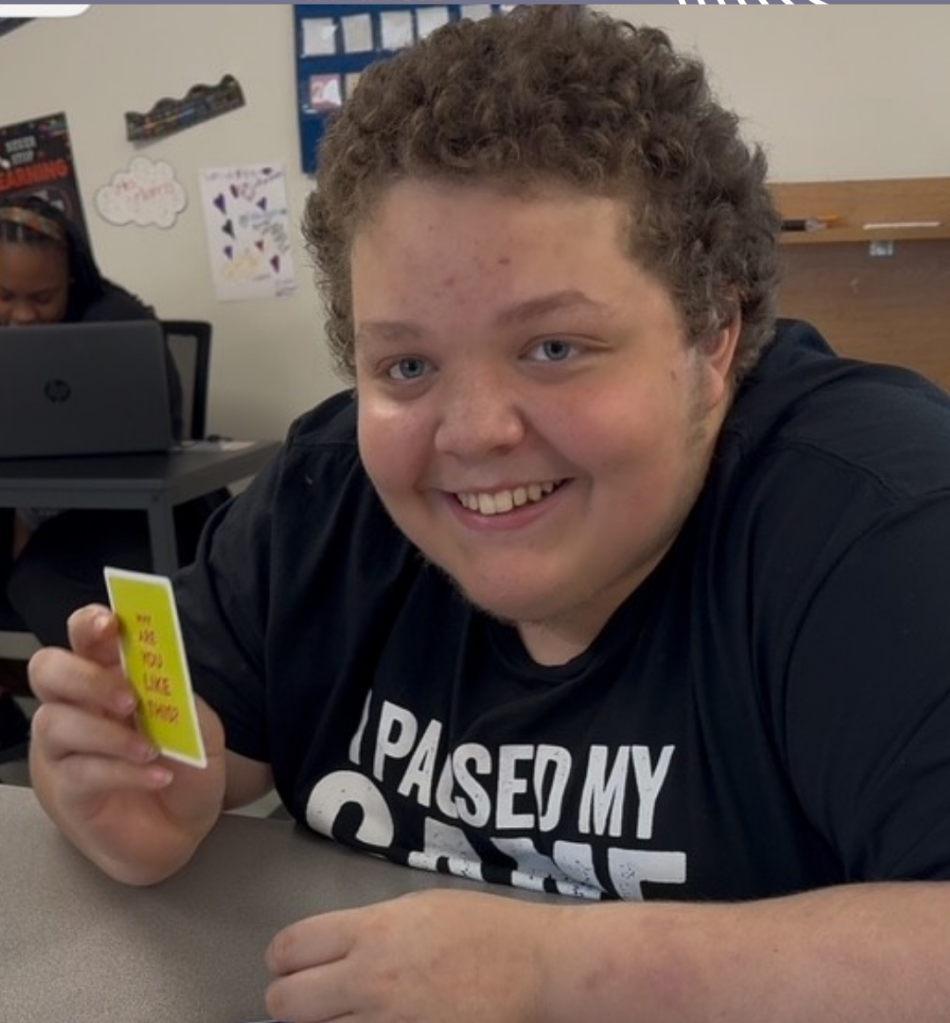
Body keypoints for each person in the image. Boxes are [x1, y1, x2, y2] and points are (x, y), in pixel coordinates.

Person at [27, 6, 950, 1021]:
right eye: (407, 365)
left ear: (713, 334)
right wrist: (126, 791)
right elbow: (185, 753)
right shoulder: (324, 492)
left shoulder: (880, 521)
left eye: (552, 346)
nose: (469, 434)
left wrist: (560, 973)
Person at [0, 195, 205, 756]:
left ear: (71, 277)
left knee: (38, 580)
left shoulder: (118, 322)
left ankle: (139, 722)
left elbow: (156, 431)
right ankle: (10, 733)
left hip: (125, 519)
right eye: (4, 297)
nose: (21, 315)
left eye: (42, 298)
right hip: (32, 519)